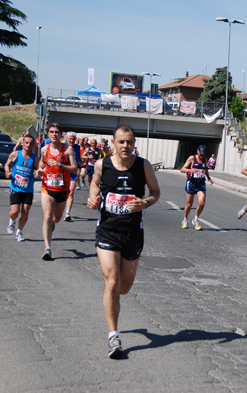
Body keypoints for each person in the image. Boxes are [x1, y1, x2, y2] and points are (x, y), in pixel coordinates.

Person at [87, 124, 160, 359]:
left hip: (132, 233)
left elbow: (156, 192)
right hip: (107, 231)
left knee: (124, 288)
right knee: (112, 282)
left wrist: (145, 203)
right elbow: (94, 184)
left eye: (129, 141)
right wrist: (92, 197)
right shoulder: (102, 165)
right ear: (113, 143)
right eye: (121, 141)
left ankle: (114, 301)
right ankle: (113, 336)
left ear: (134, 143)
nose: (125, 146)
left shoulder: (143, 166)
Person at [37, 123, 77, 261]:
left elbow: (74, 169)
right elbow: (42, 163)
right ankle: (47, 248)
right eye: (51, 132)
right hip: (47, 188)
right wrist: (39, 170)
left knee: (56, 218)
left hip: (62, 189)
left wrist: (60, 165)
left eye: (56, 132)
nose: (54, 134)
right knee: (47, 216)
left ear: (61, 134)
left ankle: (52, 224)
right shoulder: (44, 149)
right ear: (48, 134)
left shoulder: (68, 150)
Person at [4, 133, 39, 242]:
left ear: (33, 145)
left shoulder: (35, 158)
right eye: (26, 143)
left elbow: (39, 171)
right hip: (15, 188)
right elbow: (7, 164)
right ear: (22, 143)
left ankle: (19, 232)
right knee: (14, 212)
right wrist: (7, 172)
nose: (28, 145)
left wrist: (37, 173)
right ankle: (12, 221)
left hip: (28, 190)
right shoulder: (15, 154)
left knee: (25, 212)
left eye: (30, 143)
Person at [180, 145, 213, 230]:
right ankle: (185, 219)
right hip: (191, 183)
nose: (202, 156)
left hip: (201, 184)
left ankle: (196, 219)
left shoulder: (205, 159)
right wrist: (190, 170)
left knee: (202, 203)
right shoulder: (192, 158)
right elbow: (182, 169)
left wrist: (208, 178)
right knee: (189, 204)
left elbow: (205, 170)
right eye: (201, 154)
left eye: (204, 155)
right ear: (197, 151)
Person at [64, 132, 81, 222]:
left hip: (73, 173)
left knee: (71, 192)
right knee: (63, 192)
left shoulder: (77, 147)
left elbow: (78, 157)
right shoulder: (63, 146)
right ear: (66, 138)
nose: (71, 140)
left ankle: (67, 213)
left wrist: (80, 163)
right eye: (70, 138)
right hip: (63, 172)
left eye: (73, 139)